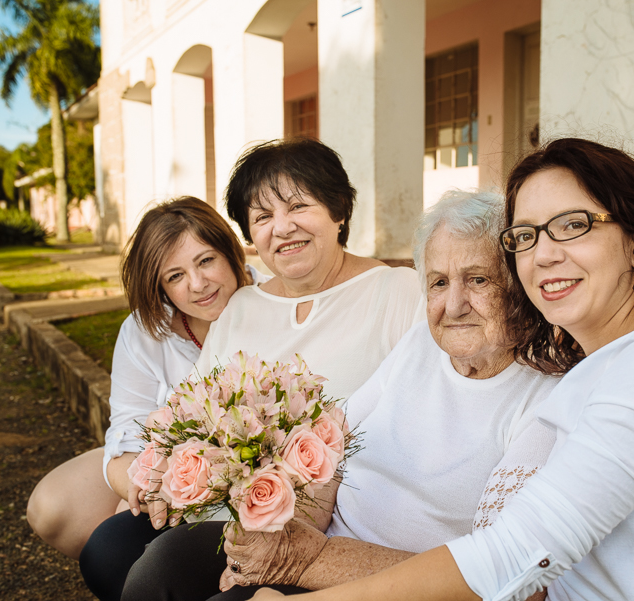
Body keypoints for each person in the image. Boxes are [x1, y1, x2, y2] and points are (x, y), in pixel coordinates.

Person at [246, 137, 634, 601]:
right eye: (526, 235)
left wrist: (301, 581)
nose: (544, 254)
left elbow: (515, 557)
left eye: (573, 225)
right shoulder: (594, 364)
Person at [82, 138, 426, 601]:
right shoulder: (242, 306)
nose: (281, 229)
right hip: (229, 509)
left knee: (168, 577)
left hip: (326, 520)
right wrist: (162, 474)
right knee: (108, 549)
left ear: (339, 211)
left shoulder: (397, 292)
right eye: (262, 217)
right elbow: (193, 411)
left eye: (298, 206)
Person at [211, 189, 558, 600]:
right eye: (438, 282)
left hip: (401, 588)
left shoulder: (546, 398)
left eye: (479, 279)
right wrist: (288, 538)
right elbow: (333, 451)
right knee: (163, 565)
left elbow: (502, 579)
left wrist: (306, 561)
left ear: (521, 284)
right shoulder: (421, 345)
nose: (453, 304)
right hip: (316, 554)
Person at [25, 196, 257, 598]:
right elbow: (128, 428)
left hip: (252, 472)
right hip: (172, 467)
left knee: (133, 539)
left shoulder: (273, 302)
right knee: (58, 511)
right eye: (175, 276)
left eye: (206, 261)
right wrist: (142, 486)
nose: (197, 284)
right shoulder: (146, 329)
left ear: (231, 252)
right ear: (159, 286)